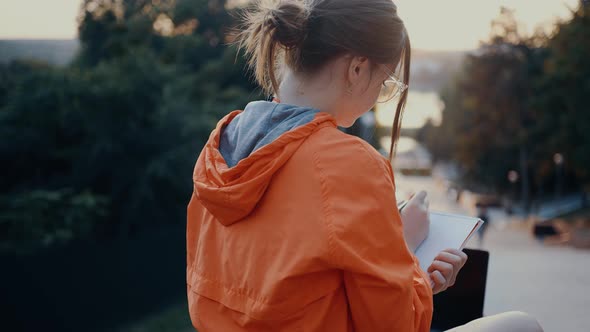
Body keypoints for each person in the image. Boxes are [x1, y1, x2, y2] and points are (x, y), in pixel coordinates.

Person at [186, 1, 543, 331]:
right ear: (357, 69)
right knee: (523, 325)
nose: (377, 98)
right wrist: (410, 257)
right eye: (385, 83)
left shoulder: (220, 148)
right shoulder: (350, 163)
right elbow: (395, 324)